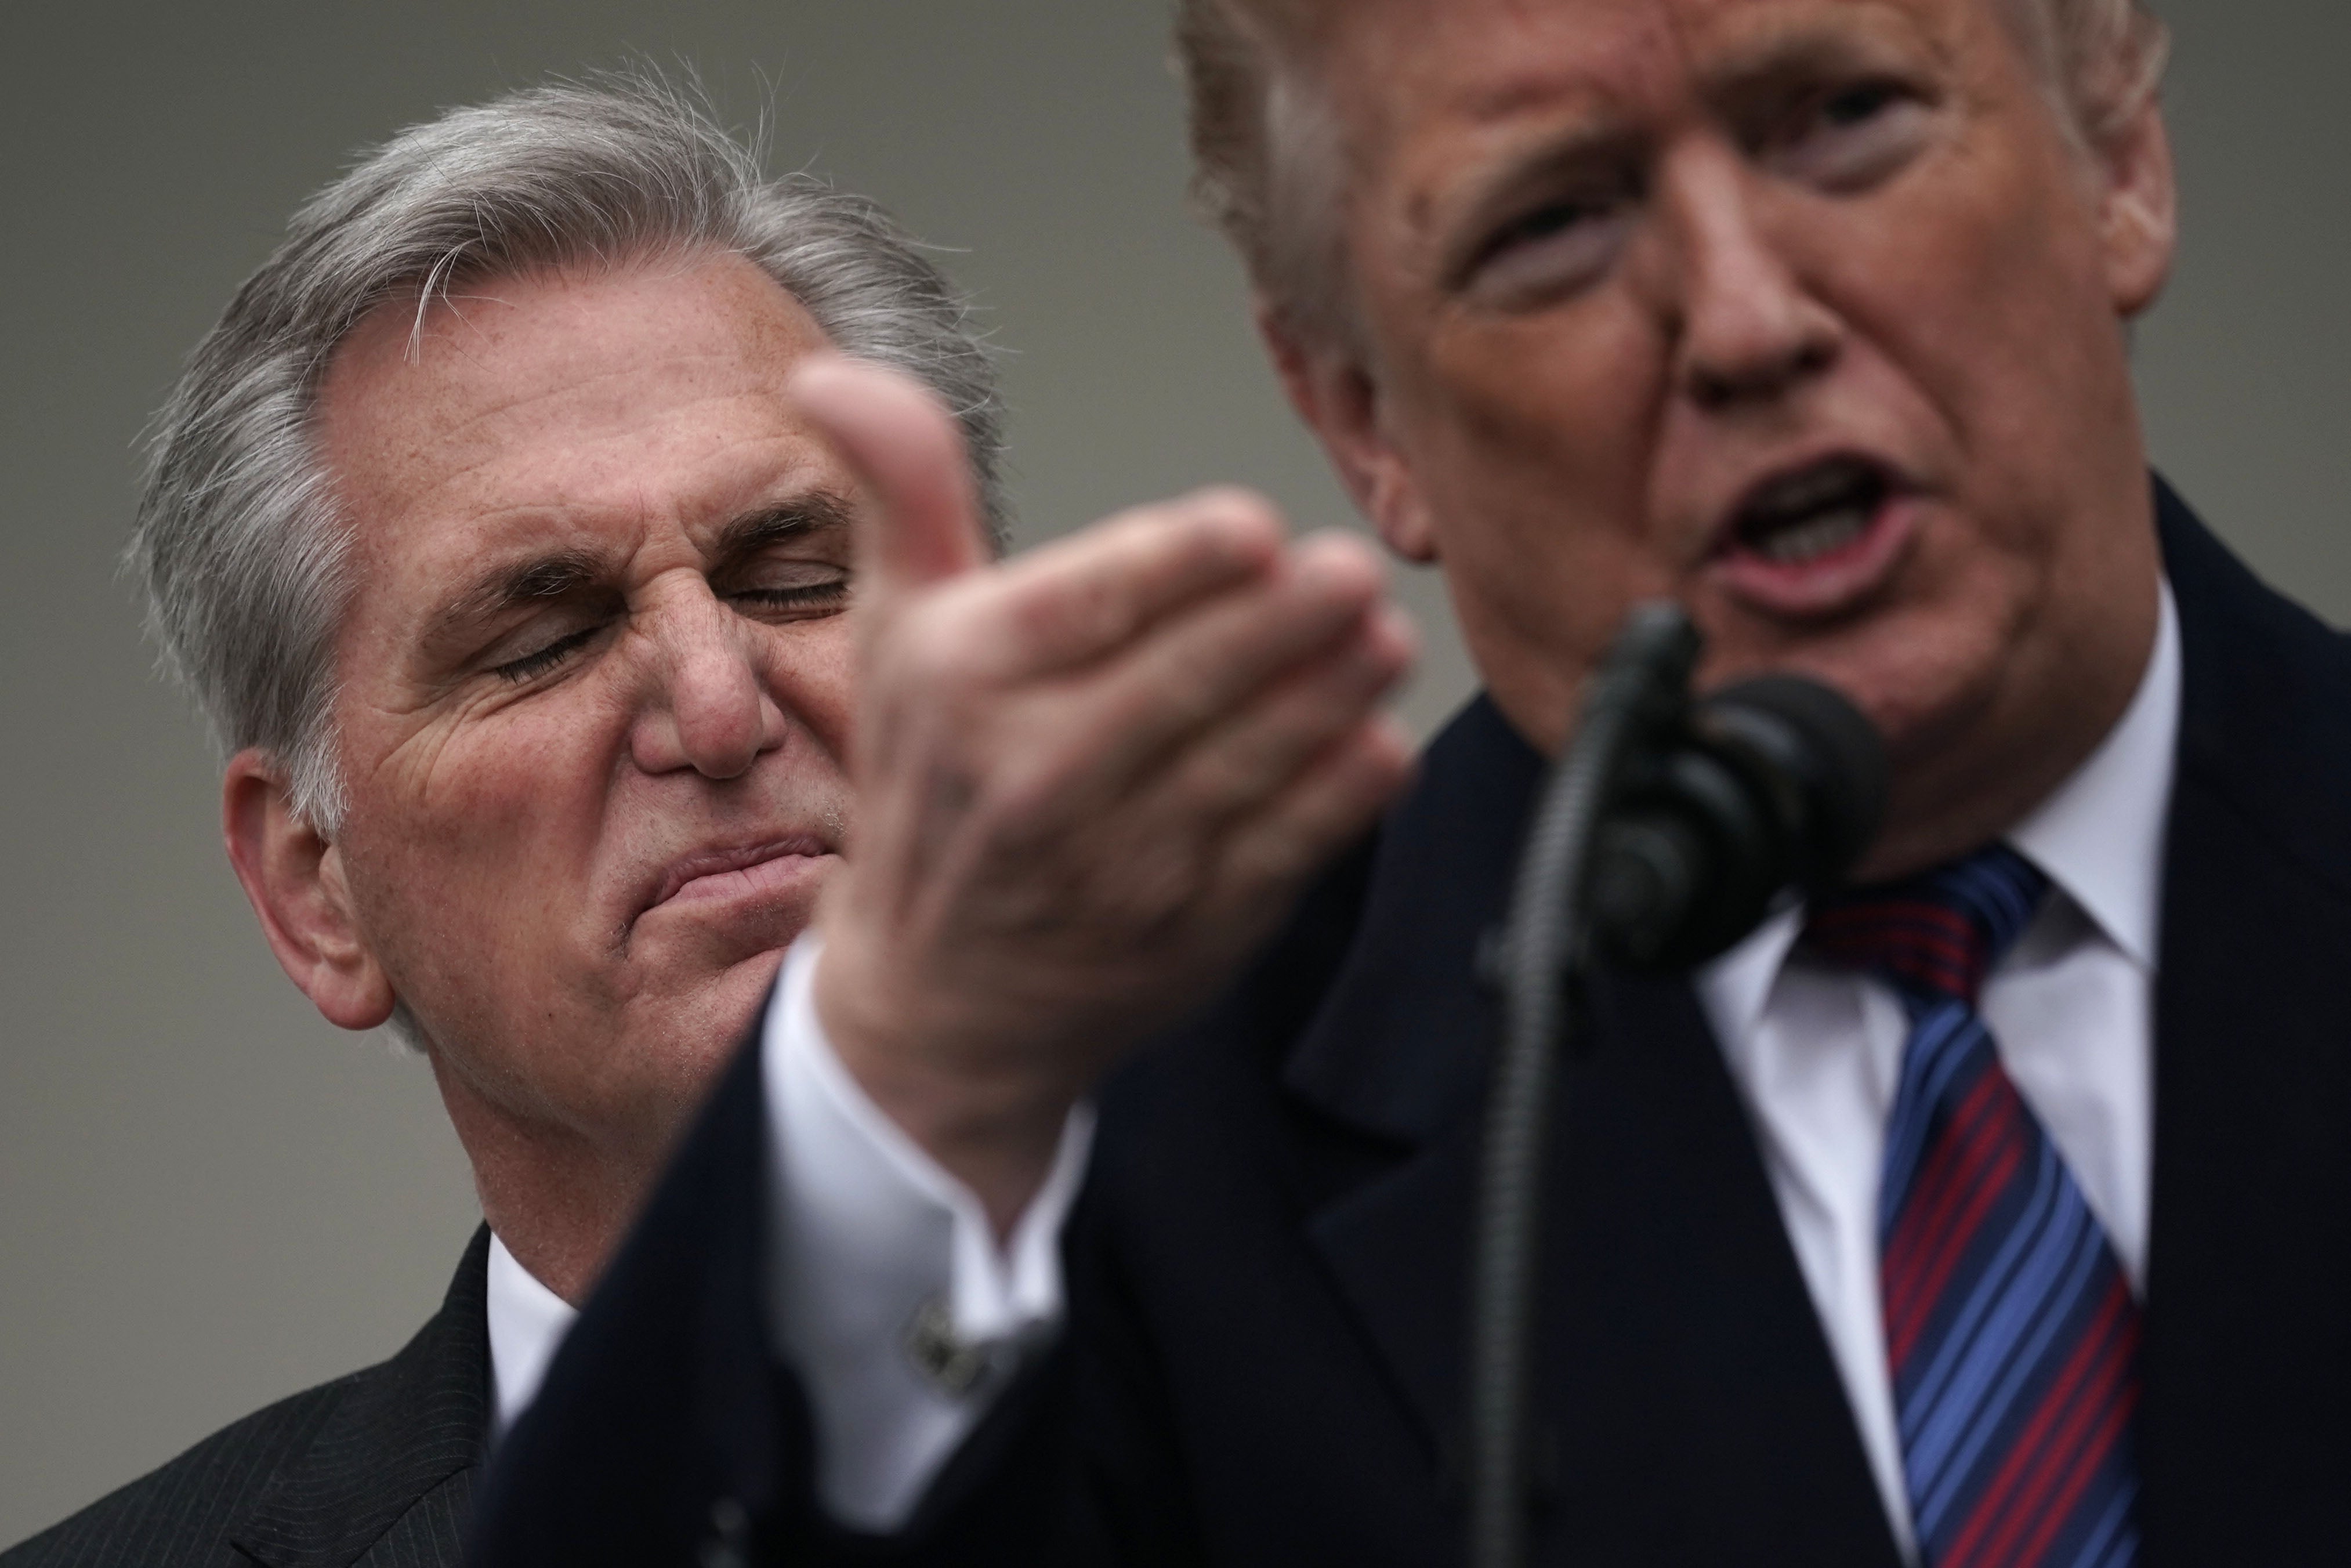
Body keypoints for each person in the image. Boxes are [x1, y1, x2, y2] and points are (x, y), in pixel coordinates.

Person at [472, 1, 2351, 1563]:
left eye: (1844, 120)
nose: (1750, 314)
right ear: (1363, 421)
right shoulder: (1141, 1152)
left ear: (2118, 150)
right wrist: (905, 1087)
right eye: (1552, 225)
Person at [1, 74, 1017, 1568]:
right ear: (317, 891)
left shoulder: (1445, 1384)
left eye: (796, 573)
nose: (720, 708)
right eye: (541, 638)